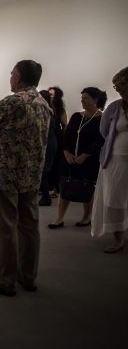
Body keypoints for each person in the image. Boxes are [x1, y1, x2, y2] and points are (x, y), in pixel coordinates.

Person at [0, 60, 51, 296]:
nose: (10, 78)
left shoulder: (12, 102)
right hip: (31, 175)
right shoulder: (43, 104)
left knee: (5, 227)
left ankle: (5, 281)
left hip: (6, 174)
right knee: (29, 227)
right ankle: (27, 277)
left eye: (12, 74)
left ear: (18, 77)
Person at [48, 87, 106, 229]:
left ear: (95, 100)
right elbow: (66, 136)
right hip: (70, 158)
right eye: (82, 98)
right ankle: (59, 218)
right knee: (65, 187)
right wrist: (67, 152)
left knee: (87, 187)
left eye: (86, 98)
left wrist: (85, 155)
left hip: (89, 160)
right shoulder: (76, 117)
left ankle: (86, 217)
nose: (83, 101)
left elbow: (100, 140)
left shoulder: (101, 119)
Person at [91, 67, 128, 253]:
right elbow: (104, 130)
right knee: (114, 199)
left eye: (122, 85)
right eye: (116, 86)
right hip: (115, 162)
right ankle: (118, 239)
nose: (119, 89)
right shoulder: (115, 107)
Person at [38, 90, 58, 206]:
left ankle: (46, 197)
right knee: (44, 171)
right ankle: (45, 196)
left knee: (43, 172)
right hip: (50, 142)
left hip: (47, 144)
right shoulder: (50, 109)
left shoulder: (45, 111)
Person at [48, 86, 67, 197]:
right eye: (49, 94)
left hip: (56, 137)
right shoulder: (45, 107)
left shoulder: (60, 109)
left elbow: (64, 125)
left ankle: (54, 188)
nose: (50, 96)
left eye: (52, 95)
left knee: (54, 163)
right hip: (48, 137)